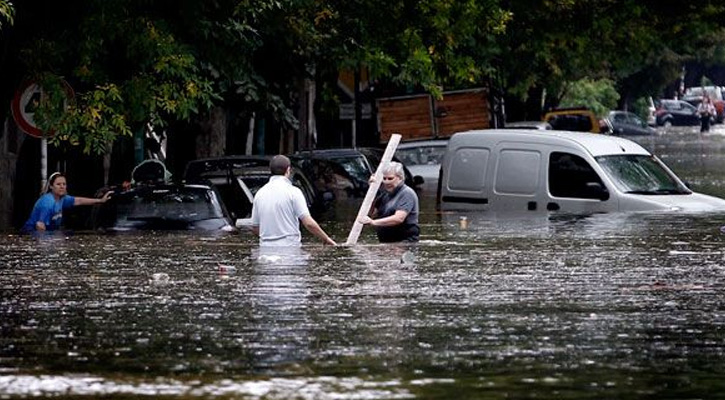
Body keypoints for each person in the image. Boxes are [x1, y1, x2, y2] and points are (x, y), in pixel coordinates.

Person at [251, 155, 337, 246]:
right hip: (290, 248)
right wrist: (326, 238)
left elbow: (255, 227)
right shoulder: (293, 192)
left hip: (265, 250)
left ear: (271, 171)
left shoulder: (259, 194)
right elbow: (308, 223)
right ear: (288, 170)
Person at [22, 172, 113, 233]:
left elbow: (79, 200)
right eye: (58, 184)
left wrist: (100, 200)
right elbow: (39, 225)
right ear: (51, 186)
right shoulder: (47, 203)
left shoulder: (63, 198)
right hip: (30, 232)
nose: (62, 187)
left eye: (64, 184)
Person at [359, 161, 420, 242]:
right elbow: (372, 213)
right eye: (384, 178)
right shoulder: (385, 194)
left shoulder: (406, 193)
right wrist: (372, 191)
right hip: (386, 241)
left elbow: (398, 218)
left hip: (404, 241)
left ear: (400, 178)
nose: (387, 182)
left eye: (390, 178)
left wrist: (373, 222)